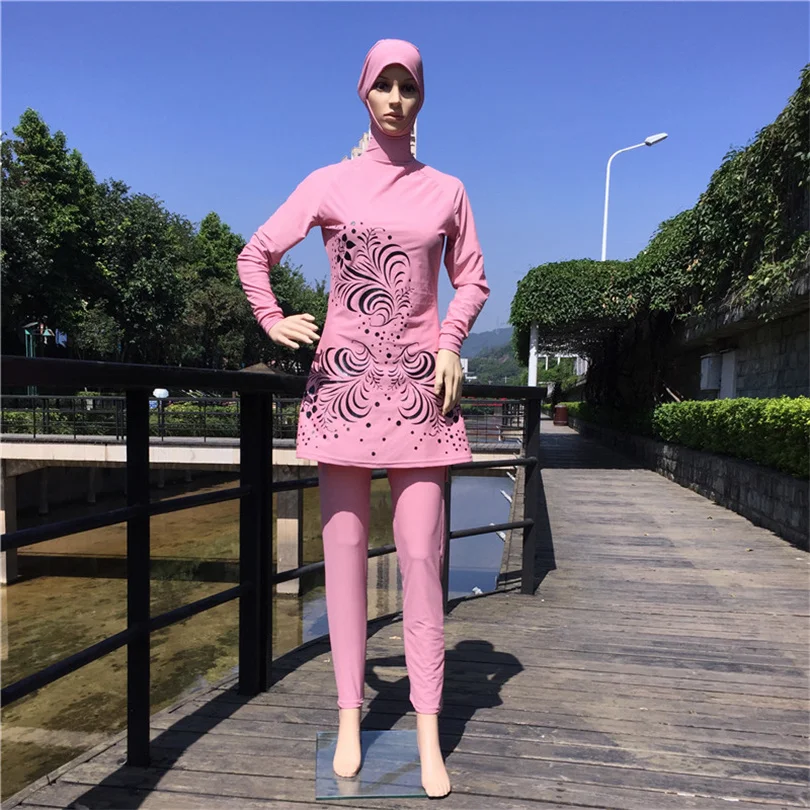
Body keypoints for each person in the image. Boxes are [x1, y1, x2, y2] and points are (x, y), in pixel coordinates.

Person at [237, 38, 489, 799]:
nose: (395, 98)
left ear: (421, 97)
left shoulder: (447, 190)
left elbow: (472, 279)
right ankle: (350, 717)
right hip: (344, 388)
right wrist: (273, 319)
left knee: (421, 561)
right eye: (383, 85)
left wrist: (450, 342)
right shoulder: (329, 182)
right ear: (363, 93)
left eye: (408, 86)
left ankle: (427, 730)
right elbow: (255, 254)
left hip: (420, 395)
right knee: (343, 560)